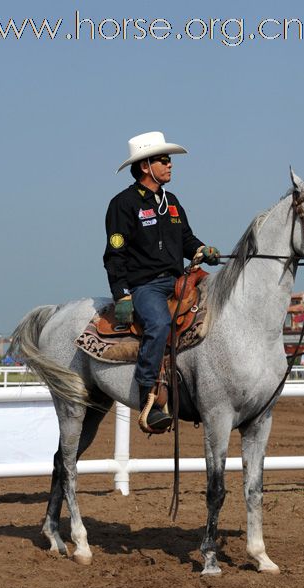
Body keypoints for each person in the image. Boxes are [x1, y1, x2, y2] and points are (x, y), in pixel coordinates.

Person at [104, 131, 220, 431]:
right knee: (157, 325)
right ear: (145, 166)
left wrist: (201, 250)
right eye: (164, 160)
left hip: (179, 280)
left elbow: (186, 239)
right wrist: (122, 295)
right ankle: (149, 398)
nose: (170, 165)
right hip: (146, 285)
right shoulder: (123, 204)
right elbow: (114, 254)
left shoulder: (172, 202)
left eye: (169, 161)